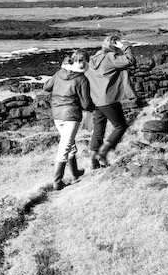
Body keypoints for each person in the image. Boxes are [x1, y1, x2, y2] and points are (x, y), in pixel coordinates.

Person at [43, 50, 93, 190]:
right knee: (65, 145)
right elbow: (86, 104)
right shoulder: (81, 79)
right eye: (87, 62)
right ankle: (57, 181)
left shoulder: (60, 72)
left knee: (69, 143)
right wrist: (94, 107)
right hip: (71, 115)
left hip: (57, 113)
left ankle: (75, 172)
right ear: (82, 62)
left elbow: (46, 87)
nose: (87, 65)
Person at [85, 35, 137, 168]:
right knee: (121, 126)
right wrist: (125, 47)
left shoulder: (95, 57)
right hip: (108, 99)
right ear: (114, 45)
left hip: (96, 99)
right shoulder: (111, 57)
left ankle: (94, 162)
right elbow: (130, 60)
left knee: (98, 131)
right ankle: (103, 152)